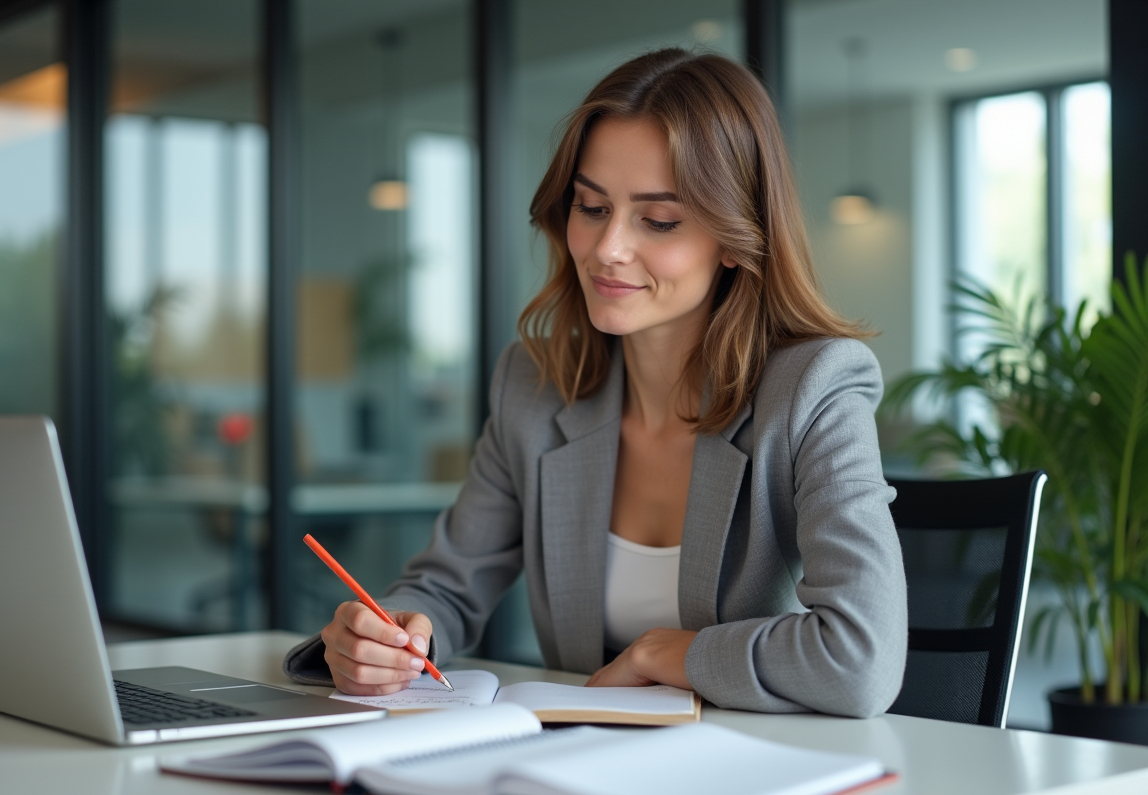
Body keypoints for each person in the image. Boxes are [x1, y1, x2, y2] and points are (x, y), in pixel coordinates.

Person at [285, 48, 907, 718]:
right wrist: (395, 633)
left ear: (735, 237)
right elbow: (447, 585)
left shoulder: (814, 388)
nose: (607, 247)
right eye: (590, 206)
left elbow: (859, 660)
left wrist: (665, 654)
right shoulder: (534, 383)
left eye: (658, 219)